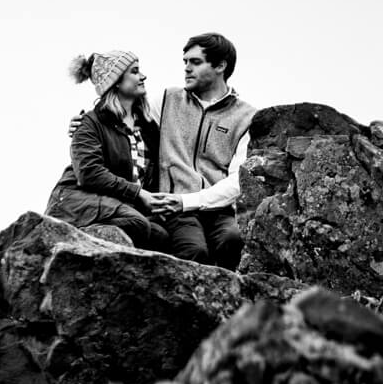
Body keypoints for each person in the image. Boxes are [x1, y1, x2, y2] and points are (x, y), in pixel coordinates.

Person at [150, 33, 255, 269]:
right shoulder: (168, 99)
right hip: (173, 206)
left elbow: (239, 181)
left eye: (195, 62)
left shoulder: (247, 117)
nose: (187, 68)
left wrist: (191, 201)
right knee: (194, 251)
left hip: (218, 209)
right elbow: (123, 120)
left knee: (234, 239)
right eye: (185, 62)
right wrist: (85, 123)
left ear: (220, 66)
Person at [46, 49, 166, 250]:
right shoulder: (90, 124)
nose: (143, 76)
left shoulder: (148, 126)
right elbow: (89, 173)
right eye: (135, 72)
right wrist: (138, 194)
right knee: (138, 224)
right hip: (75, 200)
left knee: (161, 236)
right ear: (116, 81)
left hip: (117, 204)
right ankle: (70, 240)